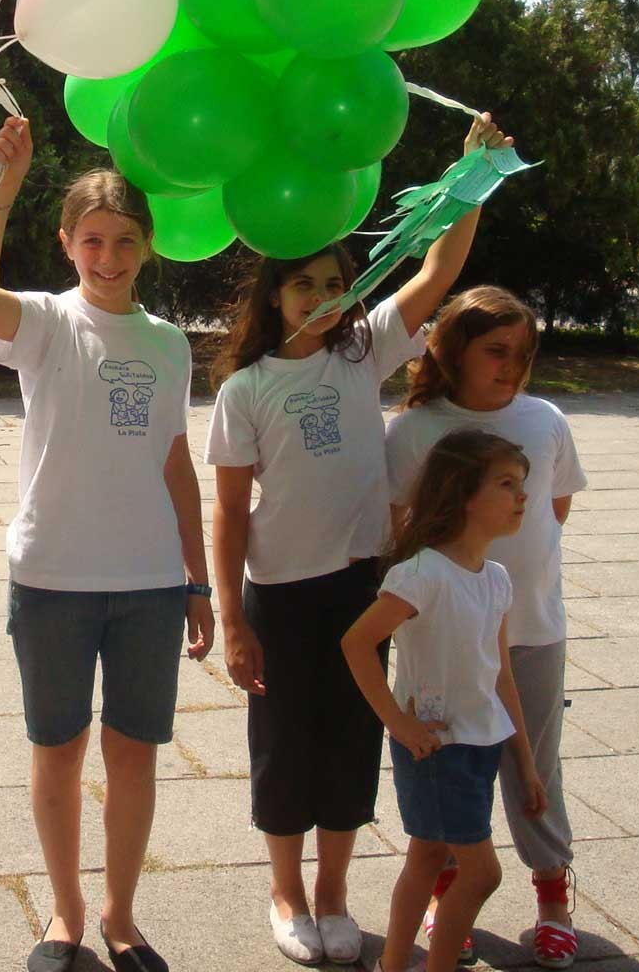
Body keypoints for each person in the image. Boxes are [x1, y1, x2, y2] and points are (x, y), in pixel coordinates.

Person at [206, 114, 511, 966]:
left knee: (350, 743)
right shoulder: (247, 390)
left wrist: (471, 173)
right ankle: (286, 892)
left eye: (333, 280)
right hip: (283, 593)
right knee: (284, 749)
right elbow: (229, 513)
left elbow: (441, 265)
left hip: (363, 591)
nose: (318, 295)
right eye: (300, 284)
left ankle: (335, 895)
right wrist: (232, 616)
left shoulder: (362, 350)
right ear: (274, 296)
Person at [0, 117, 213, 972]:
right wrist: (3, 187)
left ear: (147, 248)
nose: (109, 257)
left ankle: (121, 915)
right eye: (93, 240)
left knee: (133, 755)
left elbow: (176, 463)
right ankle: (64, 917)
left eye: (125, 241)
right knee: (58, 751)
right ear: (68, 244)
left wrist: (199, 581)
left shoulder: (170, 344)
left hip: (145, 583)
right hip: (55, 575)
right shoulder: (44, 323)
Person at [387, 288, 587, 969]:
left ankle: (553, 897)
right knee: (449, 771)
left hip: (530, 628)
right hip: (440, 646)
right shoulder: (414, 430)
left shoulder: (546, 419)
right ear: (453, 351)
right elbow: (398, 533)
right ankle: (449, 896)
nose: (512, 366)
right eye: (495, 351)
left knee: (536, 767)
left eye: (523, 353)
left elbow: (552, 510)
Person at [342, 430, 547, 972]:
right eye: (506, 484)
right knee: (482, 874)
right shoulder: (422, 574)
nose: (521, 496)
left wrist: (526, 764)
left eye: (522, 484)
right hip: (437, 748)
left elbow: (502, 677)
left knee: (428, 857)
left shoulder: (496, 579)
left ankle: (392, 964)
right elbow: (357, 643)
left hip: (478, 745)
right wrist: (398, 724)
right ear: (463, 494)